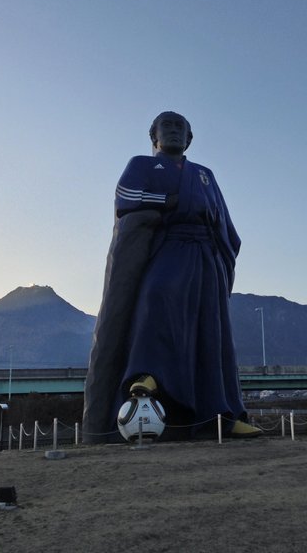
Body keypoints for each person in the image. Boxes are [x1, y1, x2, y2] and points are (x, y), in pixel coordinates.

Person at [82, 111, 261, 442]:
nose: (175, 131)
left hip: (206, 255)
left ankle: (221, 415)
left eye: (182, 128)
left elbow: (224, 220)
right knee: (156, 294)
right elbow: (127, 196)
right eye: (169, 126)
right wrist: (170, 202)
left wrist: (224, 253)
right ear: (154, 135)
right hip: (169, 247)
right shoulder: (143, 165)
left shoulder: (205, 175)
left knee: (213, 331)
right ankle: (146, 374)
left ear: (190, 138)